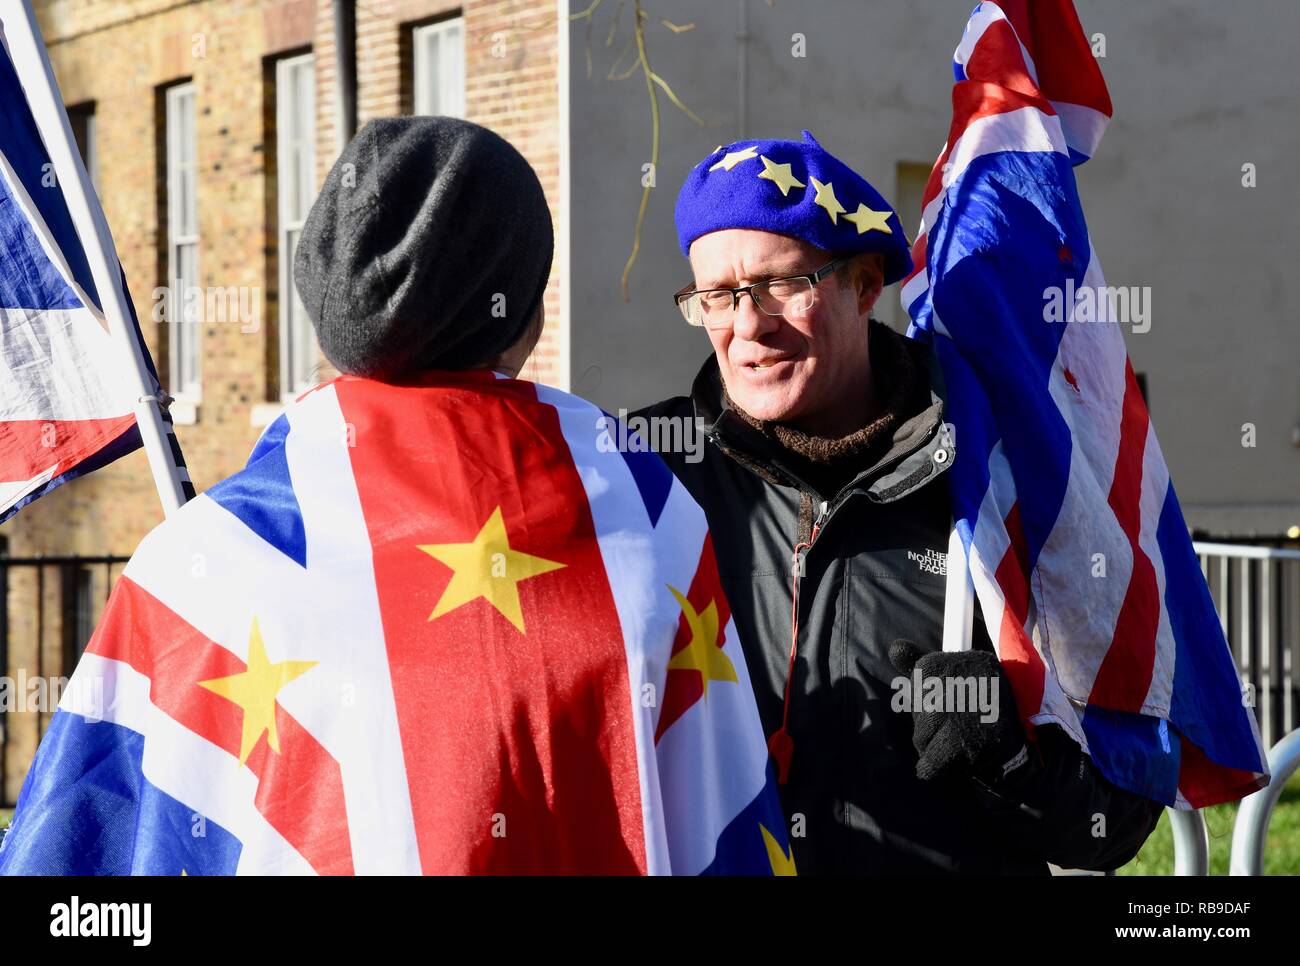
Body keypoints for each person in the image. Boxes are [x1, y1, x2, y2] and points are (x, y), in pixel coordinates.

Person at [0, 117, 786, 876]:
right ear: (523, 312)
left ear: (326, 308)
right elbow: (720, 822)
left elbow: (78, 846)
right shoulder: (654, 513)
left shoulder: (202, 561)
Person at [637, 131, 1165, 874]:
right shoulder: (645, 475)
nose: (747, 327)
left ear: (863, 282)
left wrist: (1008, 760)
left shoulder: (1005, 480)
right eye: (718, 297)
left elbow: (1121, 820)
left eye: (780, 285)